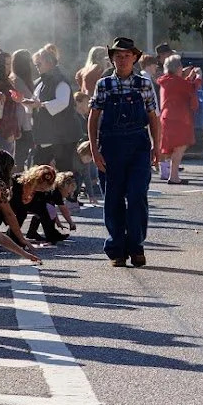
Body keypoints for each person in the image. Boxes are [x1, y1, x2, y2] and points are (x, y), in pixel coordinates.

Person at [88, 37, 160, 268]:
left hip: (138, 143)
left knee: (137, 194)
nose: (122, 59)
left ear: (135, 58)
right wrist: (93, 147)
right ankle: (117, 249)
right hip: (110, 145)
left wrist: (156, 146)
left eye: (127, 55)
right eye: (118, 55)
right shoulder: (104, 85)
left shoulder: (144, 84)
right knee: (113, 198)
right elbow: (93, 116)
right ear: (112, 58)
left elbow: (152, 117)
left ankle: (136, 245)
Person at [25, 45, 81, 177]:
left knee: (64, 170)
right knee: (40, 168)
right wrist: (26, 101)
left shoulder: (60, 80)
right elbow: (36, 101)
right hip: (47, 134)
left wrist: (41, 105)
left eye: (39, 63)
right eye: (36, 63)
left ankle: (66, 196)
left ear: (49, 63)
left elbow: (62, 102)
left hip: (63, 136)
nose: (36, 65)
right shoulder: (40, 81)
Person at [156, 54, 200, 184]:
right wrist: (198, 77)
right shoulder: (176, 81)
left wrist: (188, 77)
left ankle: (173, 175)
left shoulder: (168, 80)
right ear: (177, 67)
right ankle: (173, 176)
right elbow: (191, 88)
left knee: (176, 147)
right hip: (178, 117)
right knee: (180, 146)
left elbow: (181, 88)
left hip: (168, 117)